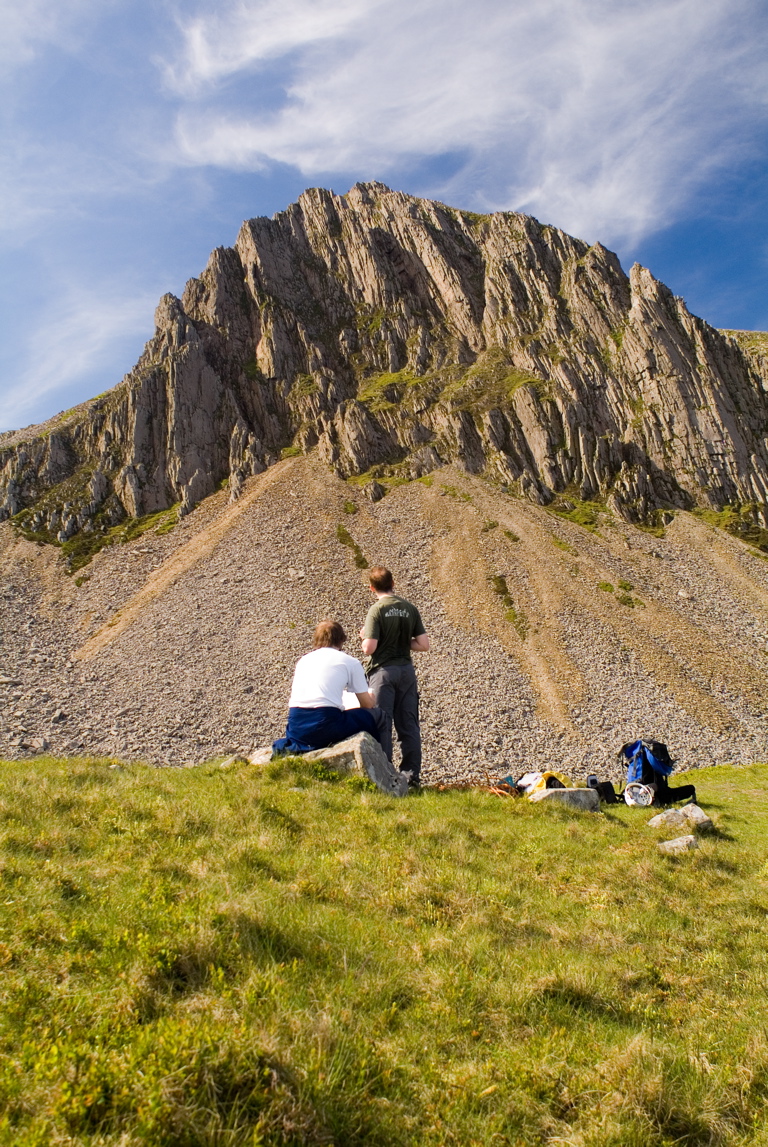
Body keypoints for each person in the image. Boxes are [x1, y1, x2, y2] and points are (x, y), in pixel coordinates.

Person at [272, 620, 387, 755]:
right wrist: (370, 699)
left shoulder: (303, 660)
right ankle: (386, 766)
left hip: (297, 727)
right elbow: (366, 704)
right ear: (341, 639)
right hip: (326, 723)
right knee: (378, 715)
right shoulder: (350, 662)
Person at [360, 567, 430, 788]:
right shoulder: (410, 608)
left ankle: (386, 773)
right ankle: (412, 776)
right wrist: (401, 642)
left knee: (383, 722)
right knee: (409, 724)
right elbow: (423, 644)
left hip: (383, 672)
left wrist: (365, 637)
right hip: (406, 672)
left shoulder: (376, 609)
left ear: (372, 588)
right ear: (394, 583)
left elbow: (369, 648)